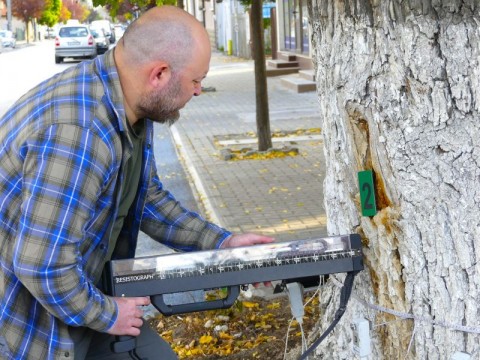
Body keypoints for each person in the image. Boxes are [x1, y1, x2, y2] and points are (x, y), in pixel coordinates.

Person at [0, 6, 273, 360]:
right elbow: (43, 266)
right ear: (159, 73)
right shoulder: (80, 133)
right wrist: (109, 313)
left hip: (79, 294)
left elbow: (145, 198)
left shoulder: (127, 105)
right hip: (28, 324)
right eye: (195, 80)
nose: (199, 92)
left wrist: (222, 242)